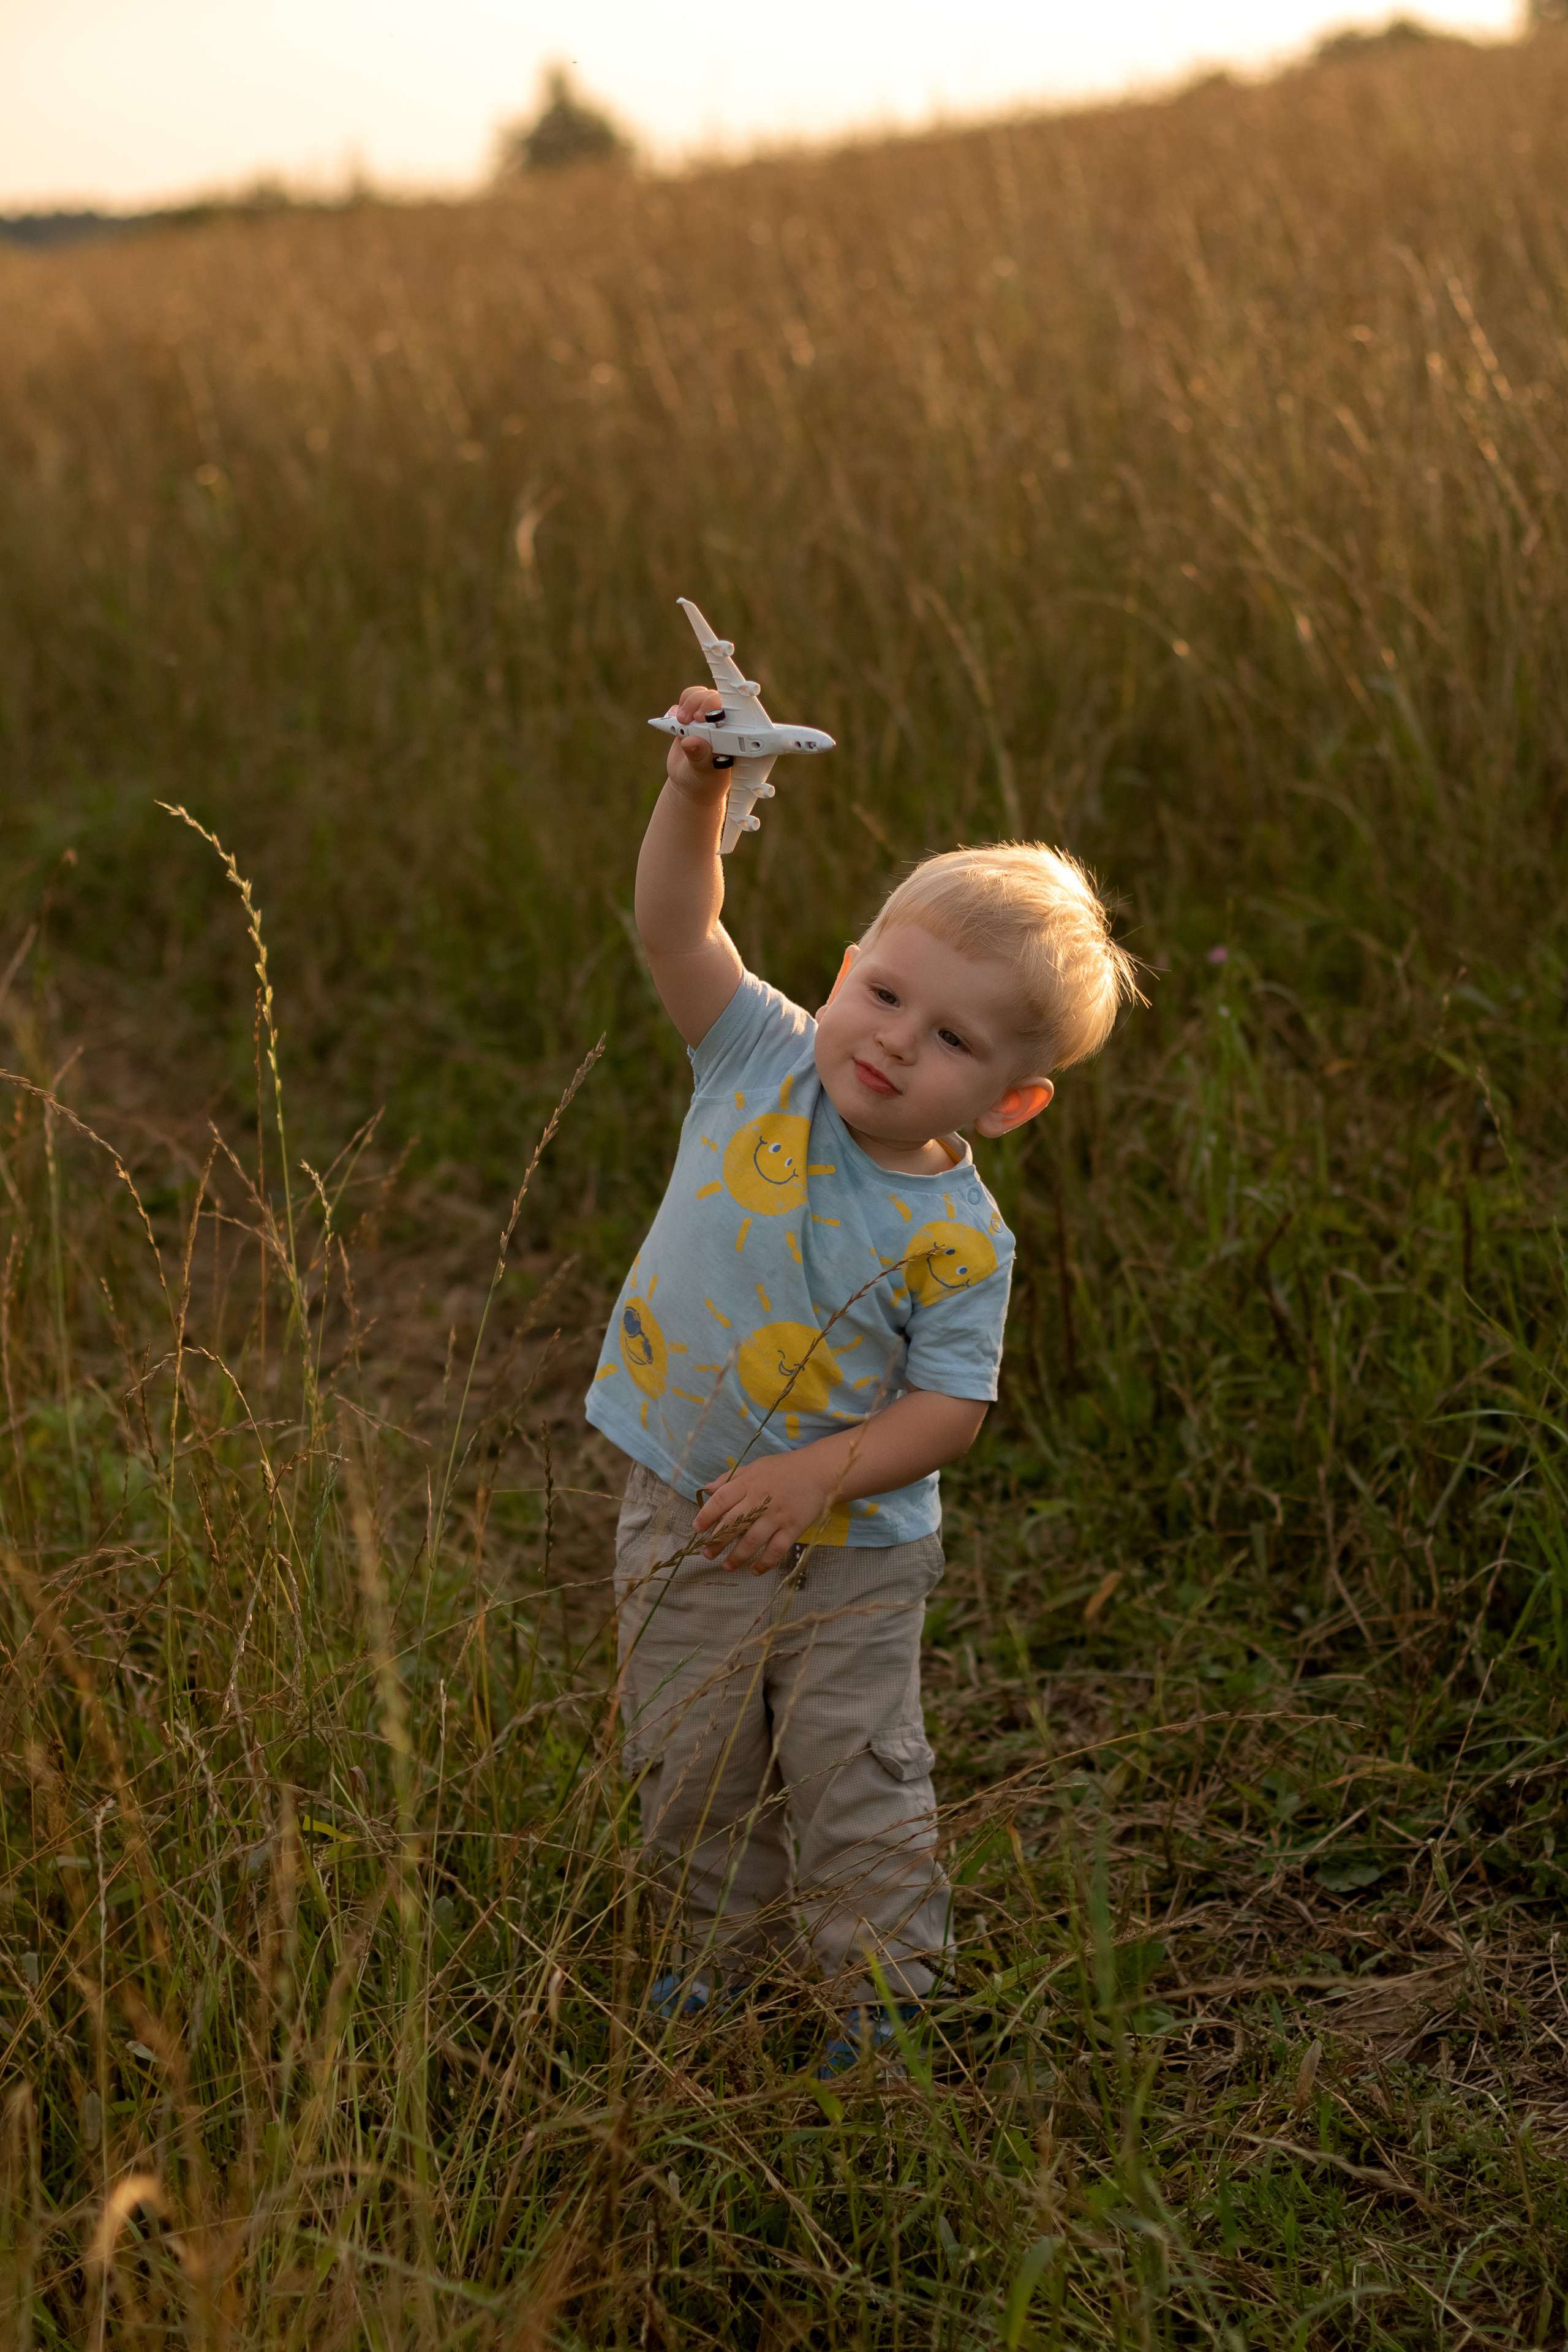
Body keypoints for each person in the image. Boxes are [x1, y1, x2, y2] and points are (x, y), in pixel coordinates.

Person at [587, 677, 1139, 2074]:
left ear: (1010, 1104)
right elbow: (675, 923)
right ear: (840, 973)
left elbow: (946, 1410)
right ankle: (714, 1965)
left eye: (952, 1038)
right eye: (885, 994)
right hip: (685, 1504)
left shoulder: (957, 1236)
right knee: (689, 1761)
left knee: (854, 1779)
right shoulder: (757, 1057)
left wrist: (810, 1475)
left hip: (851, 1559)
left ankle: (876, 1997)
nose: (894, 1039)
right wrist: (694, 789)